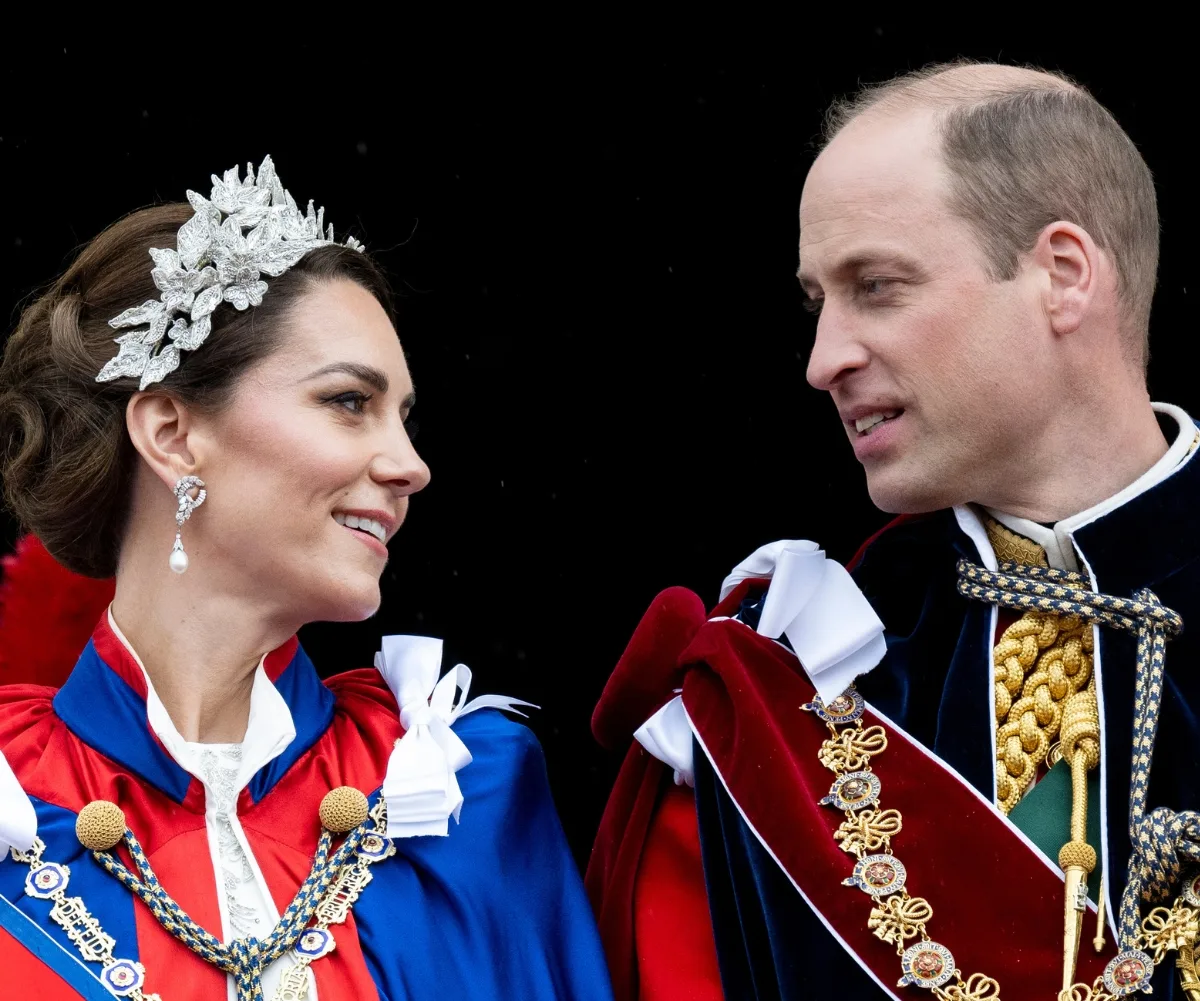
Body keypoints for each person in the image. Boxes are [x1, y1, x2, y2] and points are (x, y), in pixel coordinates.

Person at [586, 62, 1200, 1001]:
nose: (823, 359)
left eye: (876, 285)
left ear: (1062, 276)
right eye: (817, 302)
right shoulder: (784, 679)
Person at [0, 156, 614, 1001]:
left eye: (404, 417)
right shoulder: (15, 808)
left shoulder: (458, 787)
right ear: (174, 432)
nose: (410, 465)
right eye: (349, 401)